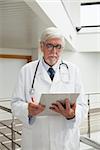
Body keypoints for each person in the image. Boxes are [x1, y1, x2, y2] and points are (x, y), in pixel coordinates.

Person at [11, 27, 87, 150]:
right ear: (41, 46)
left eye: (58, 47)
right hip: (36, 141)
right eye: (50, 46)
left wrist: (72, 115)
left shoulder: (74, 71)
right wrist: (28, 110)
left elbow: (83, 105)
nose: (54, 51)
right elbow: (15, 104)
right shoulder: (27, 71)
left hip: (65, 141)